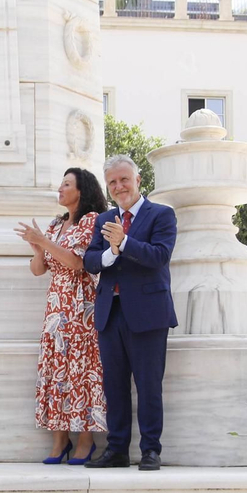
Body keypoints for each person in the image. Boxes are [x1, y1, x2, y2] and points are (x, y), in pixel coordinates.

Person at [82, 155, 177, 471]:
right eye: (112, 182)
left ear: (138, 180)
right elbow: (91, 261)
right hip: (110, 312)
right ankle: (117, 450)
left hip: (149, 313)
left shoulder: (161, 215)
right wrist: (111, 252)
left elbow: (159, 256)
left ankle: (150, 450)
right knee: (115, 385)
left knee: (149, 385)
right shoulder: (103, 220)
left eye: (124, 179)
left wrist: (125, 242)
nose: (119, 186)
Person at [16, 168, 108, 464]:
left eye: (66, 184)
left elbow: (77, 263)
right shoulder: (55, 225)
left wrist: (43, 243)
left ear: (81, 190)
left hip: (82, 307)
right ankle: (59, 439)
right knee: (56, 371)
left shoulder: (91, 221)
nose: (60, 188)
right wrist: (38, 247)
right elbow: (38, 270)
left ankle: (85, 440)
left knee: (81, 370)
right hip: (56, 306)